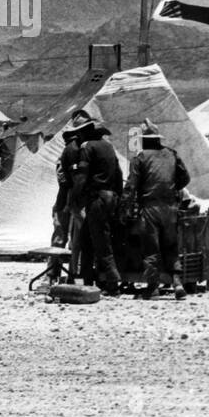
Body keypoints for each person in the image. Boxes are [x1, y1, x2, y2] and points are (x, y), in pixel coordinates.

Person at [124, 120, 191, 299]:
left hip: (150, 208)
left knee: (151, 248)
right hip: (170, 207)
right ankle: (177, 283)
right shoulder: (171, 154)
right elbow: (185, 178)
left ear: (145, 140)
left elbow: (131, 186)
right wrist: (172, 186)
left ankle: (152, 287)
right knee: (171, 246)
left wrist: (125, 207)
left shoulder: (140, 158)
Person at [73, 117, 123, 295]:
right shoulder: (109, 147)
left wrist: (75, 197)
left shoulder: (87, 147)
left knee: (101, 242)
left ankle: (113, 281)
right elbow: (119, 174)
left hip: (96, 200)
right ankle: (88, 279)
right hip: (110, 198)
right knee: (87, 239)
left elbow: (81, 176)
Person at [46, 116, 87, 283]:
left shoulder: (77, 152)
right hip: (66, 200)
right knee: (64, 238)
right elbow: (63, 178)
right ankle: (56, 273)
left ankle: (63, 273)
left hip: (69, 199)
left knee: (69, 239)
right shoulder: (70, 153)